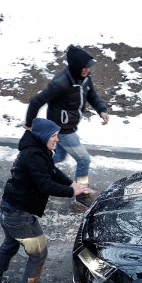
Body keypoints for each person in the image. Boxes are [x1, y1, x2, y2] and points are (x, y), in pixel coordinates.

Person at [0, 118, 88, 283]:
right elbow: (45, 184)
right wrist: (71, 192)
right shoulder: (34, 155)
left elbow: (51, 171)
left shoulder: (37, 151)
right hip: (20, 217)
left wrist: (70, 183)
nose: (57, 140)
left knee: (9, 245)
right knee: (38, 255)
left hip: (7, 211)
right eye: (54, 136)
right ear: (43, 136)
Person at [25, 44, 109, 207]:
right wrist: (29, 125)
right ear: (76, 66)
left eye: (89, 68)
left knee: (57, 156)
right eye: (85, 68)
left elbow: (91, 94)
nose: (88, 70)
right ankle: (82, 193)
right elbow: (36, 101)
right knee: (84, 159)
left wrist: (101, 110)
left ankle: (28, 168)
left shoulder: (84, 77)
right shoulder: (61, 82)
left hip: (69, 125)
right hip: (62, 129)